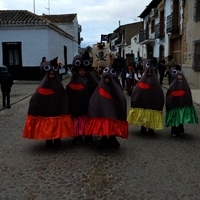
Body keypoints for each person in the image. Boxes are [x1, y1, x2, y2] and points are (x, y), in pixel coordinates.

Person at [23, 57, 74, 148]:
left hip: (57, 111)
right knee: (48, 127)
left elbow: (62, 96)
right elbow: (36, 98)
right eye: (49, 74)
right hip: (47, 112)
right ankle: (49, 140)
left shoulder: (58, 85)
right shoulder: (42, 86)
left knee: (57, 126)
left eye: (52, 74)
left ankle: (57, 140)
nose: (51, 76)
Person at [83, 64, 128, 148]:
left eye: (109, 78)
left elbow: (120, 98)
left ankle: (112, 138)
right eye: (106, 78)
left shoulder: (116, 88)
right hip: (102, 113)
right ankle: (104, 139)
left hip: (112, 113)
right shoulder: (100, 88)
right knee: (104, 126)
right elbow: (95, 99)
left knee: (112, 125)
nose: (107, 80)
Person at [66, 51, 98, 145]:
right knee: (77, 122)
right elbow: (69, 92)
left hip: (87, 106)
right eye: (80, 70)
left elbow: (95, 89)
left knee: (87, 121)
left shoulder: (90, 81)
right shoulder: (73, 81)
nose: (82, 72)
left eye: (83, 70)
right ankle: (78, 136)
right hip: (77, 107)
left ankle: (88, 137)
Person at [127, 59, 164, 135]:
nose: (149, 73)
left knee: (151, 116)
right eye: (148, 72)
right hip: (143, 102)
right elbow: (137, 91)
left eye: (151, 72)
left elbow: (159, 92)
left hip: (152, 103)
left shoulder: (155, 82)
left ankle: (151, 128)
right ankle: (143, 127)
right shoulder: (142, 81)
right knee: (144, 116)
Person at [165, 68, 198, 137]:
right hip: (174, 108)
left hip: (182, 107)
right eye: (178, 79)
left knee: (181, 119)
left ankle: (180, 130)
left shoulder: (185, 87)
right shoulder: (172, 88)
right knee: (174, 119)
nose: (180, 81)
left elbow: (188, 96)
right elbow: (169, 97)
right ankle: (173, 130)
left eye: (181, 79)